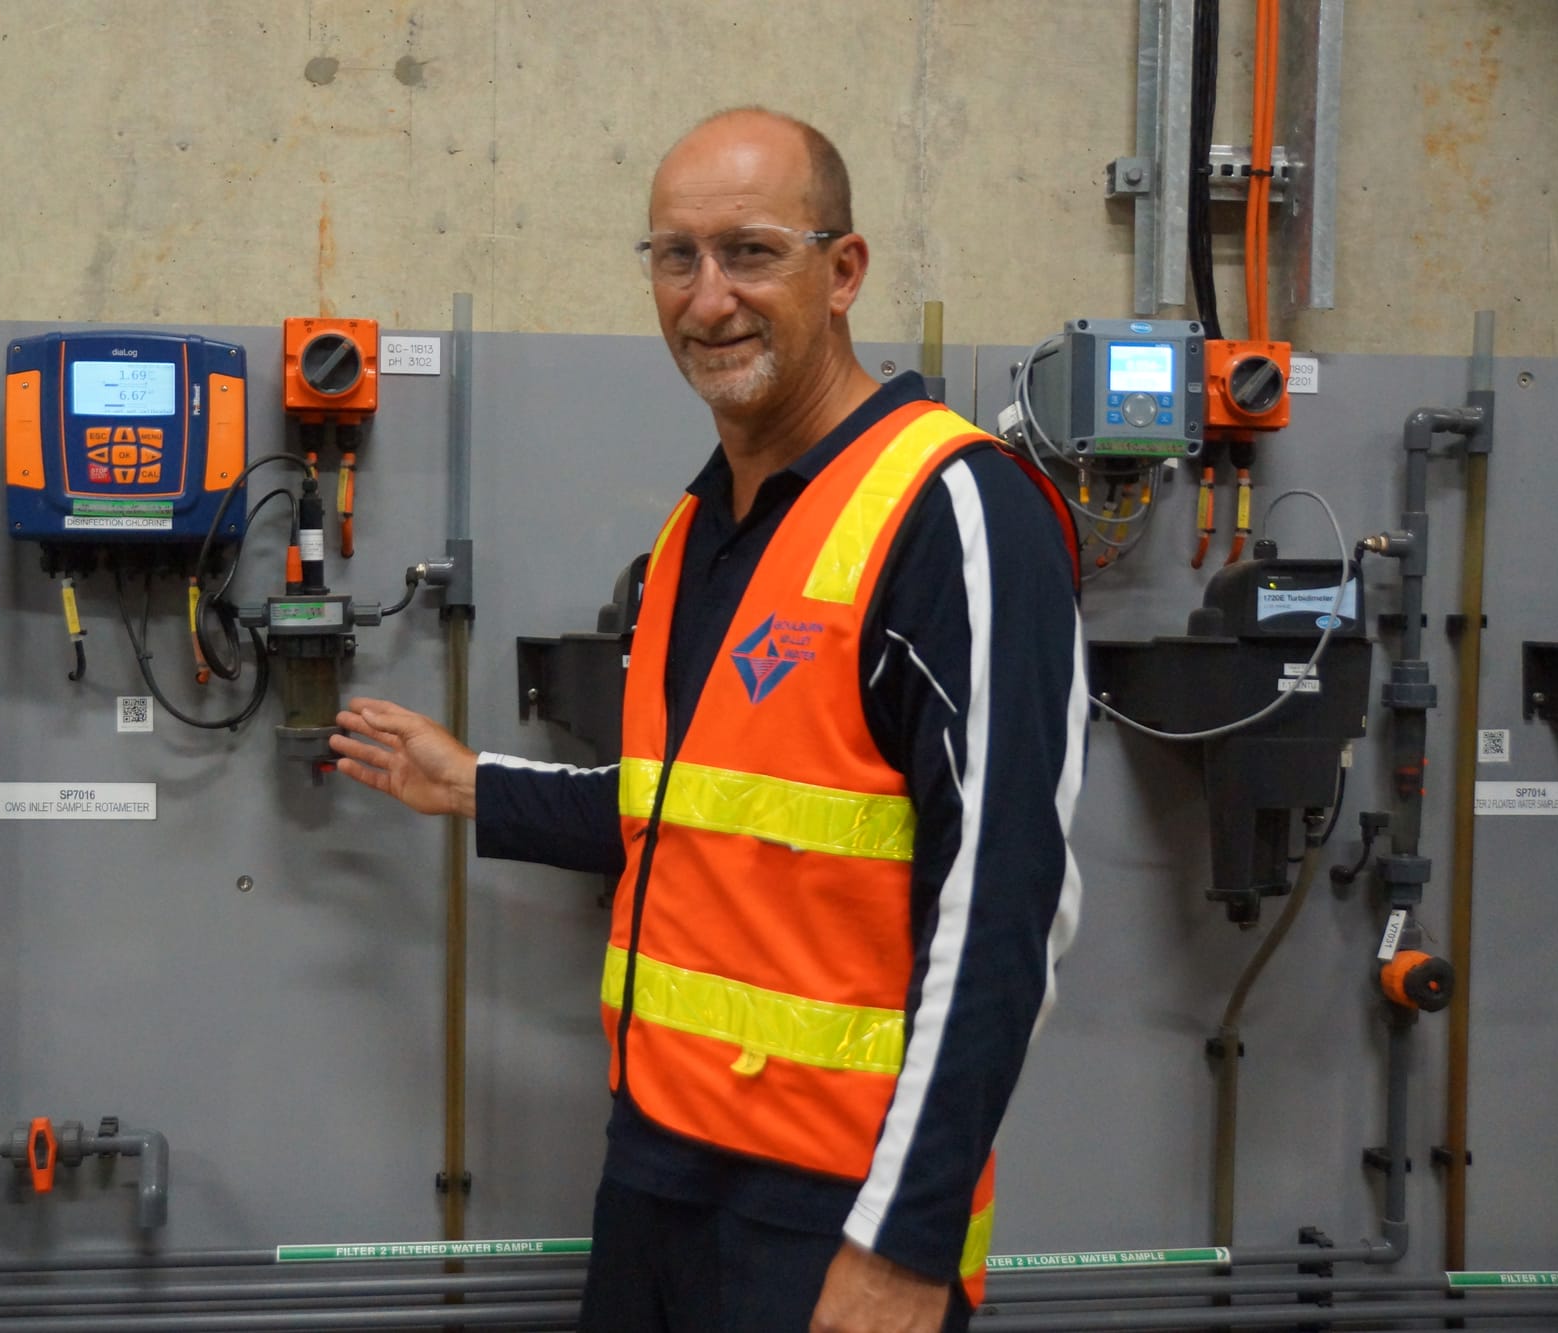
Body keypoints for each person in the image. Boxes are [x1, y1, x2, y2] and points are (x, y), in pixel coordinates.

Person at [331, 107, 1085, 1333]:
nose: (707, 297)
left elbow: (1004, 899)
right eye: (674, 257)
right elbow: (696, 811)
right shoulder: (697, 532)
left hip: (832, 1208)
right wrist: (473, 785)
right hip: (658, 1173)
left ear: (841, 271)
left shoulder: (951, 509)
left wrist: (904, 1242)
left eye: (749, 252)